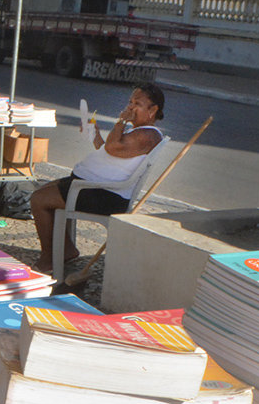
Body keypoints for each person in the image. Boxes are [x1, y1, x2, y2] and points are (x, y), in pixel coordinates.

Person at [30, 84, 167, 272]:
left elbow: (112, 148)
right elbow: (109, 151)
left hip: (105, 195)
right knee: (43, 192)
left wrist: (121, 121)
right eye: (130, 102)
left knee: (38, 200)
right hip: (92, 187)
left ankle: (49, 257)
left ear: (153, 110)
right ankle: (65, 249)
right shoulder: (137, 132)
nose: (130, 107)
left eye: (137, 103)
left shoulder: (148, 135)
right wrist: (95, 134)